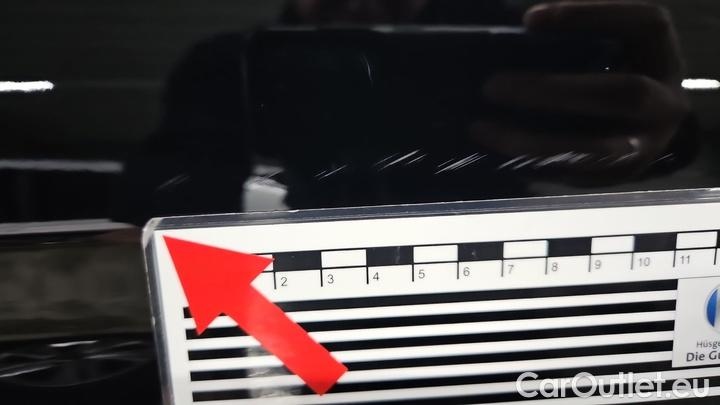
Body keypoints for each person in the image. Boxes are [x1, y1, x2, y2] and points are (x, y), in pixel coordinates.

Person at [114, 0, 693, 225]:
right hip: (293, 289)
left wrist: (662, 132)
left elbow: (658, 136)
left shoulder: (499, 37)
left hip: (487, 276)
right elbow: (156, 189)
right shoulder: (228, 62)